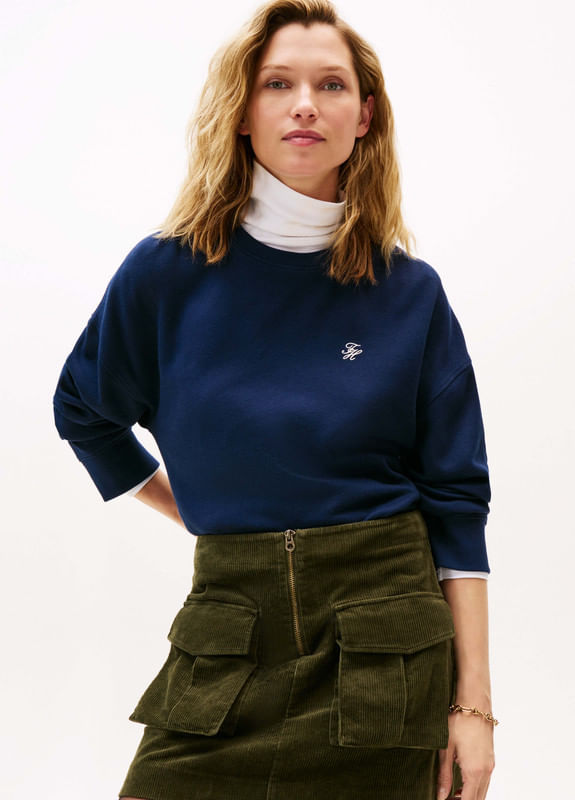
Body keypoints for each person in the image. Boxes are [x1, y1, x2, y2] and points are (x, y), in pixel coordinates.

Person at [52, 1, 497, 798]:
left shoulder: (411, 295)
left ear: (365, 116)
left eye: (331, 85)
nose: (305, 105)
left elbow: (458, 505)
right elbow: (84, 409)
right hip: (227, 634)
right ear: (242, 111)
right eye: (277, 83)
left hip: (384, 646)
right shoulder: (165, 275)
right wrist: (194, 509)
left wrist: (473, 708)